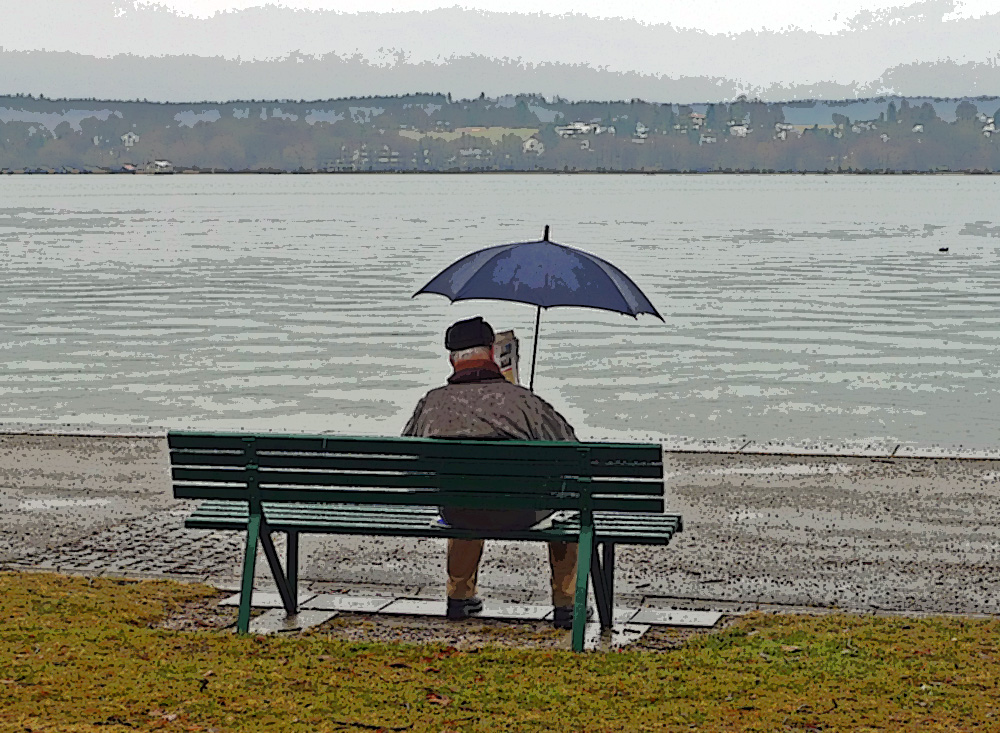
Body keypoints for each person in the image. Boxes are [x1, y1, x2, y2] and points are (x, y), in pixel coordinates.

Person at [402, 315, 586, 629]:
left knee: (463, 495)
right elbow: (572, 452)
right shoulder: (523, 401)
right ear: (492, 354)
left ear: (451, 359)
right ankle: (565, 604)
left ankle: (459, 595)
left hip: (459, 513)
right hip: (521, 513)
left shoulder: (431, 404)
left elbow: (408, 458)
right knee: (569, 509)